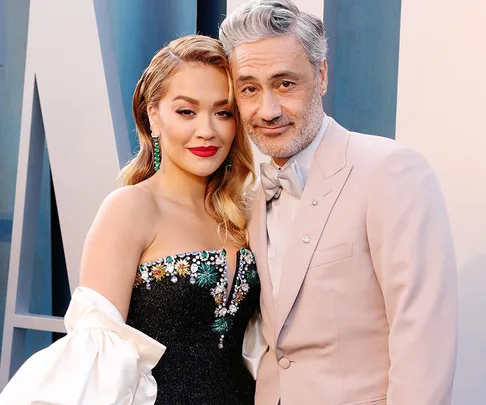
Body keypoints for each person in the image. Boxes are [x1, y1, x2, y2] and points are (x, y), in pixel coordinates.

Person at [0, 35, 265, 405]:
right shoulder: (129, 209)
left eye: (223, 112)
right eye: (186, 111)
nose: (207, 130)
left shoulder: (243, 212)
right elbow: (95, 360)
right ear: (153, 116)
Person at [219, 1, 458, 404]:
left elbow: (423, 337)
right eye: (249, 89)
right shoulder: (254, 198)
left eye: (285, 83)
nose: (268, 110)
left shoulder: (390, 171)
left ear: (322, 75)